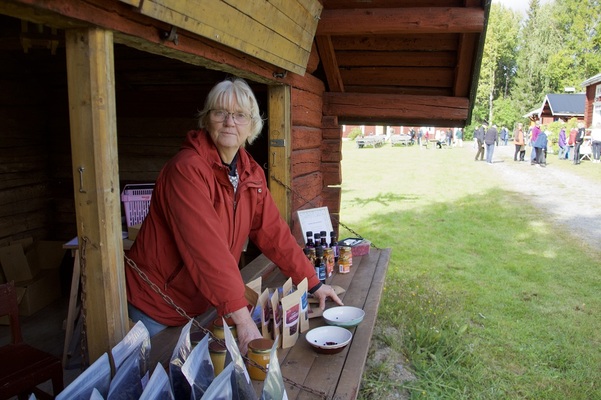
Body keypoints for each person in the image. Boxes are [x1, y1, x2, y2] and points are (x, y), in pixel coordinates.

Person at [125, 78, 343, 353]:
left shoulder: (250, 173)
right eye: (220, 113)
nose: (230, 122)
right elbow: (208, 250)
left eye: (240, 115)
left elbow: (274, 234)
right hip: (155, 306)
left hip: (199, 301)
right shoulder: (187, 170)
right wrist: (242, 319)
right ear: (207, 120)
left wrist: (313, 283)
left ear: (252, 125)